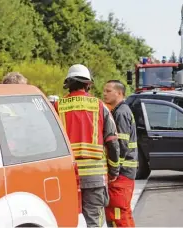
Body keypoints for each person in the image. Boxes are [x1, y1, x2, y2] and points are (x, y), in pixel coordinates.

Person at [53, 64, 121, 227]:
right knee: (93, 222)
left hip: (67, 176)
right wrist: (114, 171)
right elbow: (112, 143)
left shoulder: (57, 107)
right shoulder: (99, 106)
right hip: (94, 178)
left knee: (68, 221)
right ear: (88, 84)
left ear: (68, 84)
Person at [103, 80, 138, 227]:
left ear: (119, 93)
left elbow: (121, 146)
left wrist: (114, 171)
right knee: (124, 213)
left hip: (121, 174)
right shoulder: (121, 110)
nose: (104, 94)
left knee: (117, 214)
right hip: (126, 172)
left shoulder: (121, 113)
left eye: (108, 91)